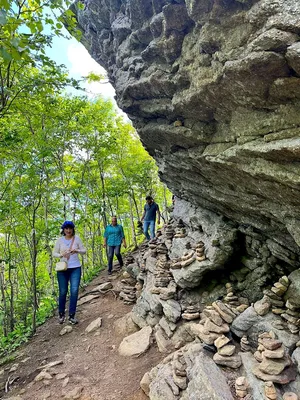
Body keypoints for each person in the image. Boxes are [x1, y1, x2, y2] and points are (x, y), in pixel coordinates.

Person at [53, 221, 86, 325]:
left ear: (73, 229)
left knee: (74, 291)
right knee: (63, 291)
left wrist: (77, 251)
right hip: (63, 268)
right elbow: (54, 253)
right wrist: (61, 255)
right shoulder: (60, 240)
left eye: (70, 228)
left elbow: (84, 250)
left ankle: (72, 315)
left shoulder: (77, 239)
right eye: (66, 228)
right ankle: (61, 314)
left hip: (75, 267)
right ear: (63, 230)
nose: (68, 230)